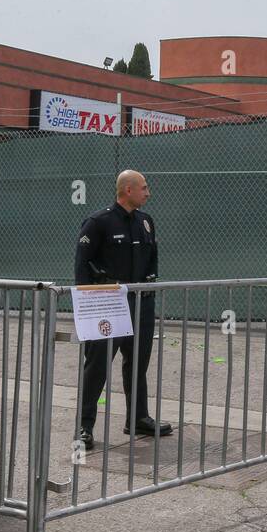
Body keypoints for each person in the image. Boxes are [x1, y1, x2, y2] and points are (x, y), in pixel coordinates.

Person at [74, 170, 171, 451]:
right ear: (127, 190)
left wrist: (149, 289)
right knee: (97, 365)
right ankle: (84, 426)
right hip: (107, 303)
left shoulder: (145, 222)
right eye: (143, 188)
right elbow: (82, 264)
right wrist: (88, 306)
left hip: (140, 302)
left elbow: (152, 259)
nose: (148, 193)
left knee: (138, 362)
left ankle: (138, 417)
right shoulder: (98, 222)